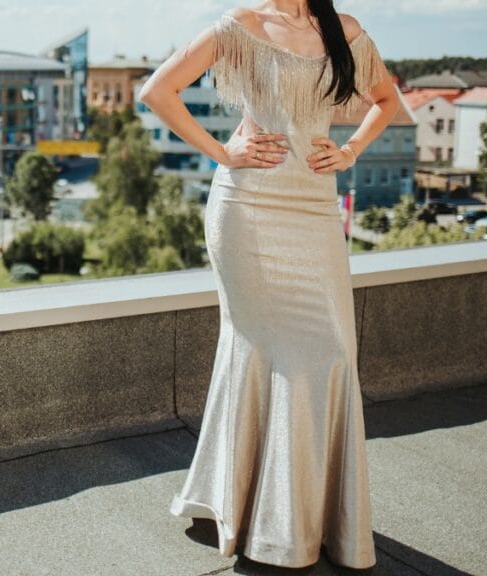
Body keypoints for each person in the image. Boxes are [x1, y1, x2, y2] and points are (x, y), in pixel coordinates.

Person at [138, 0, 398, 570]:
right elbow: (157, 91)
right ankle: (268, 518)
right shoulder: (241, 26)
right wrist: (222, 152)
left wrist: (350, 151)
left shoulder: (345, 31)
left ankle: (304, 514)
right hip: (249, 209)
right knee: (259, 349)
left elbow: (387, 101)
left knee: (332, 353)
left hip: (315, 211)